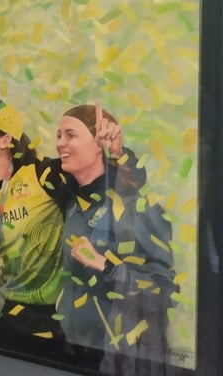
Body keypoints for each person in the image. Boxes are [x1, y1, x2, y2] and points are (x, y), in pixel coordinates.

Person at [56, 102, 176, 372]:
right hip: (71, 354)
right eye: (58, 135)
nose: (60, 143)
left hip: (118, 362)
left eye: (71, 135)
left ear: (98, 143)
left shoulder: (136, 207)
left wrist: (104, 266)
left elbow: (164, 292)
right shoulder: (71, 203)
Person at [0, 99, 70, 356]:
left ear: (6, 140)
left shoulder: (42, 175)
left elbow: (95, 181)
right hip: (6, 317)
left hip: (53, 322)